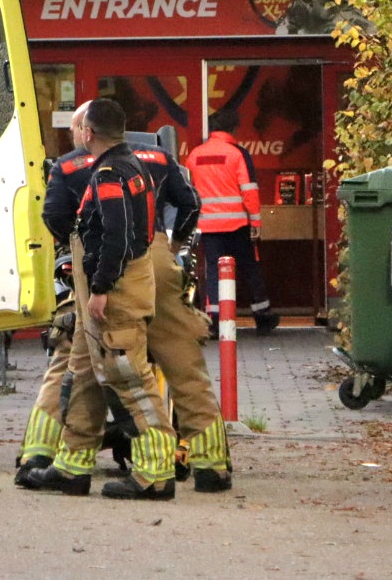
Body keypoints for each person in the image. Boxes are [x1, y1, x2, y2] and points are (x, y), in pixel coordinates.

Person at [15, 104, 232, 492]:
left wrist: (81, 251)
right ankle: (211, 465)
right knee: (182, 363)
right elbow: (191, 204)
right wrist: (174, 243)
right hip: (158, 260)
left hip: (103, 270)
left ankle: (43, 454)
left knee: (79, 361)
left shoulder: (69, 167)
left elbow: (55, 218)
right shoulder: (157, 158)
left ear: (86, 130)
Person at [185, 106, 280, 334]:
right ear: (233, 129)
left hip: (208, 226)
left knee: (214, 272)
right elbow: (249, 191)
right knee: (249, 268)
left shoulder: (194, 155)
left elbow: (188, 191)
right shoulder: (238, 154)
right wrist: (255, 223)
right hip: (237, 225)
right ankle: (262, 316)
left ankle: (215, 321)